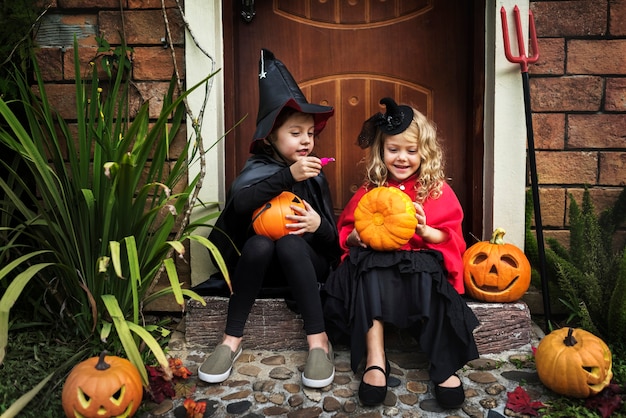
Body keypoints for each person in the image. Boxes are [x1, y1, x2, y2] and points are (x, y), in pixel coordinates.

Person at [324, 97, 480, 408]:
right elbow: (347, 232)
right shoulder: (371, 189)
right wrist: (354, 237)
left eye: (411, 151)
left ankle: (442, 361)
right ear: (381, 151)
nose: (402, 158)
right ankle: (375, 357)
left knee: (428, 274)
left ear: (425, 152)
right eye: (393, 150)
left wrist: (424, 231)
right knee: (367, 269)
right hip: (378, 265)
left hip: (419, 263)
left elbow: (451, 236)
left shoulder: (434, 188)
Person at [199, 49, 341, 389]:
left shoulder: (316, 176)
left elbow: (333, 246)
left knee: (291, 243)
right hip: (258, 270)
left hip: (303, 266)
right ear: (271, 136)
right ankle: (231, 340)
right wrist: (288, 176)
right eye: (296, 133)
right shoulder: (259, 172)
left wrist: (318, 226)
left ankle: (318, 342)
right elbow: (241, 202)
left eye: (310, 133)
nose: (306, 140)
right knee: (260, 242)